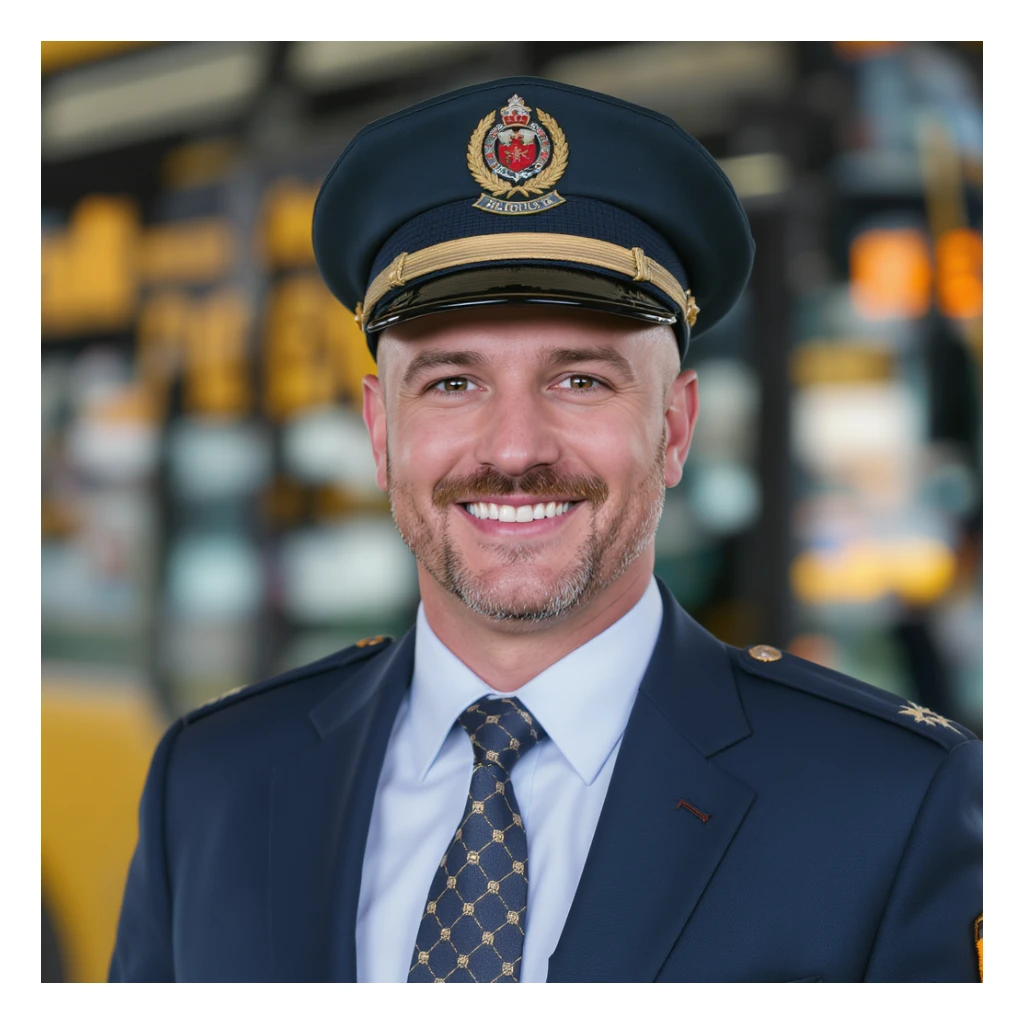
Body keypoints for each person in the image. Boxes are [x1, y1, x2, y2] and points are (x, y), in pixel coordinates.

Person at [108, 76, 982, 983]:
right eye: (453, 382)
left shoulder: (892, 805)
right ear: (380, 432)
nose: (516, 449)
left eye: (581, 381)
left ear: (674, 429)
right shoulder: (210, 783)